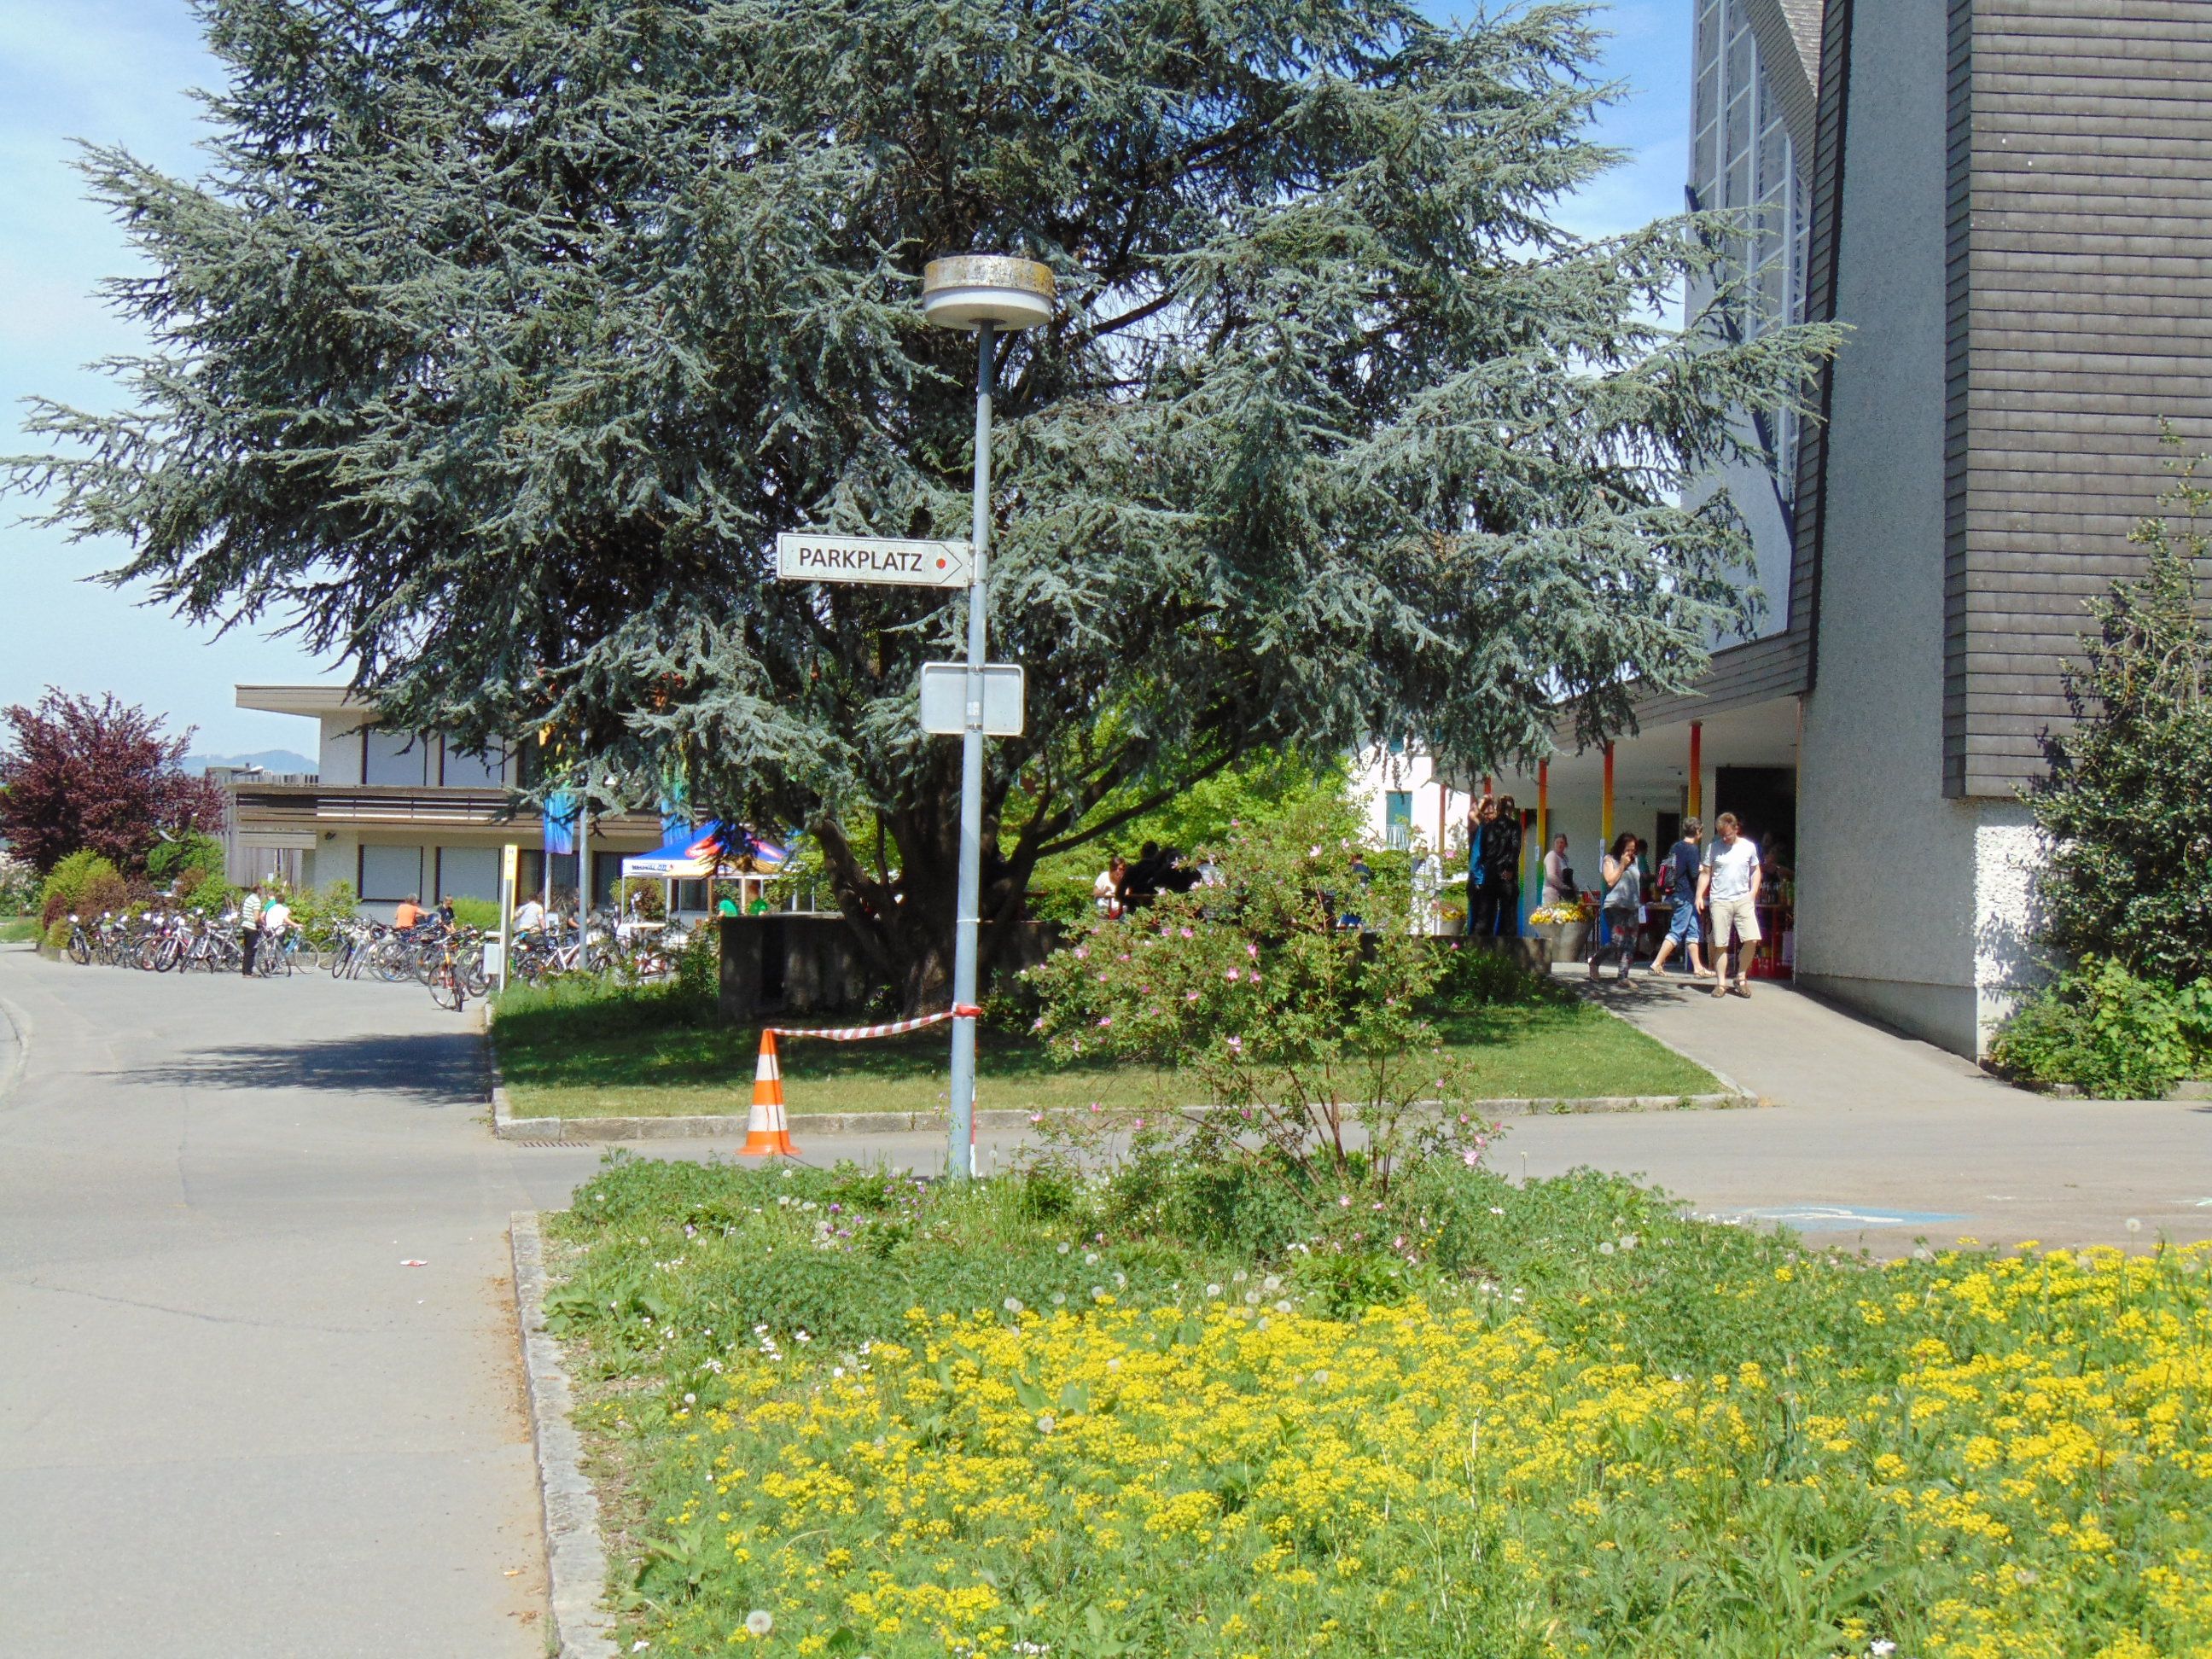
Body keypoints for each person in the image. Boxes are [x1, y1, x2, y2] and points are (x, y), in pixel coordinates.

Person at [1697, 812, 1763, 998]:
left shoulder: (1748, 847)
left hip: (1743, 899)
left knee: (1752, 939)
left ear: (1736, 828)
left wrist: (1753, 892)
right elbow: (1706, 873)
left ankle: (1741, 977)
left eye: (1727, 834)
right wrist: (1699, 894)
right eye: (1721, 835)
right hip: (1720, 900)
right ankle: (1721, 984)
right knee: (1720, 943)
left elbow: (1756, 870)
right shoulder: (1713, 848)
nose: (1724, 838)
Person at [1648, 818, 1714, 979]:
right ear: (1698, 831)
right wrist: (1704, 870)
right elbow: (1694, 874)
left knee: (1693, 931)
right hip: (1686, 896)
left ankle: (1698, 968)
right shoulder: (1692, 849)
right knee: (1676, 931)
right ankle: (1656, 963)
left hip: (1676, 893)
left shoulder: (1675, 847)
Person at [1587, 834, 1643, 980]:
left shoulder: (1635, 861)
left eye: (1633, 850)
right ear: (1620, 847)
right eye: (1628, 849)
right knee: (1617, 941)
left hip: (1632, 907)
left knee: (1630, 943)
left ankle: (1623, 977)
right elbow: (1610, 881)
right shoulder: (1609, 859)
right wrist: (1622, 865)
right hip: (1615, 906)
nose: (1631, 853)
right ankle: (1595, 962)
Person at [1483, 795, 1523, 936]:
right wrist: (1509, 868)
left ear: (1498, 808)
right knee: (1508, 913)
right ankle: (1507, 943)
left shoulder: (1488, 826)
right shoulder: (1515, 826)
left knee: (1488, 912)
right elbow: (1515, 848)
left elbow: (1484, 850)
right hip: (1507, 873)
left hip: (1490, 872)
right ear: (1511, 809)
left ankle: (1486, 943)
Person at [1464, 796, 1498, 936]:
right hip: (1480, 881)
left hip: (1488, 881)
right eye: (1488, 813)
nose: (1491, 815)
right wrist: (1479, 880)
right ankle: (1474, 946)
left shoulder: (1491, 830)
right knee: (1480, 923)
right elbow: (1476, 858)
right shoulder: (1480, 829)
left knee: (1489, 921)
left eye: (1493, 812)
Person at [238, 882, 266, 977]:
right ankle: (248, 972)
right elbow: (256, 917)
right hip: (251, 927)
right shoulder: (256, 900)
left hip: (245, 925)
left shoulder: (248, 898)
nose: (262, 892)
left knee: (247, 949)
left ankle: (245, 971)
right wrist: (262, 922)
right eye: (261, 890)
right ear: (258, 890)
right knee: (251, 950)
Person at [1541, 834, 1573, 906]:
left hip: (1562, 895)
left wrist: (1574, 887)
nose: (1559, 845)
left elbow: (1565, 877)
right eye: (1557, 842)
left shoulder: (1564, 859)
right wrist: (1564, 887)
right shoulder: (1552, 856)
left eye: (1562, 842)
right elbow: (1551, 876)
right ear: (1554, 843)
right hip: (1552, 894)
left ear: (1565, 844)